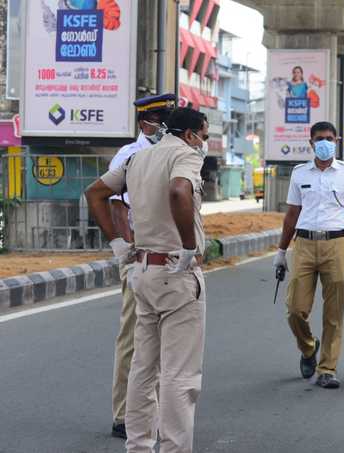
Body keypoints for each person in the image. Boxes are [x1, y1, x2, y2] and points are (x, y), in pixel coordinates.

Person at [85, 107, 209, 452]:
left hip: (142, 269)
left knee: (143, 367)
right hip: (177, 271)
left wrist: (117, 242)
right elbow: (179, 192)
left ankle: (138, 445)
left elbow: (94, 193)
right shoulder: (186, 155)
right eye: (204, 135)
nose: (204, 142)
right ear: (190, 134)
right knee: (180, 375)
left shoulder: (137, 159)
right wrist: (187, 248)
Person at [274, 121, 344, 389]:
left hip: (335, 244)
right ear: (311, 143)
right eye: (320, 138)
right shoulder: (299, 173)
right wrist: (281, 251)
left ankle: (327, 368)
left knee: (334, 312)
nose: (325, 142)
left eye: (330, 138)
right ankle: (308, 348)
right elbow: (291, 214)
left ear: (337, 140)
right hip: (303, 244)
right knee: (295, 309)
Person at [109, 93, 176, 440]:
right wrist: (127, 251)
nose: (166, 124)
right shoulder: (130, 155)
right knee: (134, 337)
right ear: (146, 122)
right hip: (140, 256)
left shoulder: (173, 153)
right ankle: (123, 414)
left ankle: (158, 412)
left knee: (168, 342)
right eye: (162, 118)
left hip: (170, 255)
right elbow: (118, 206)